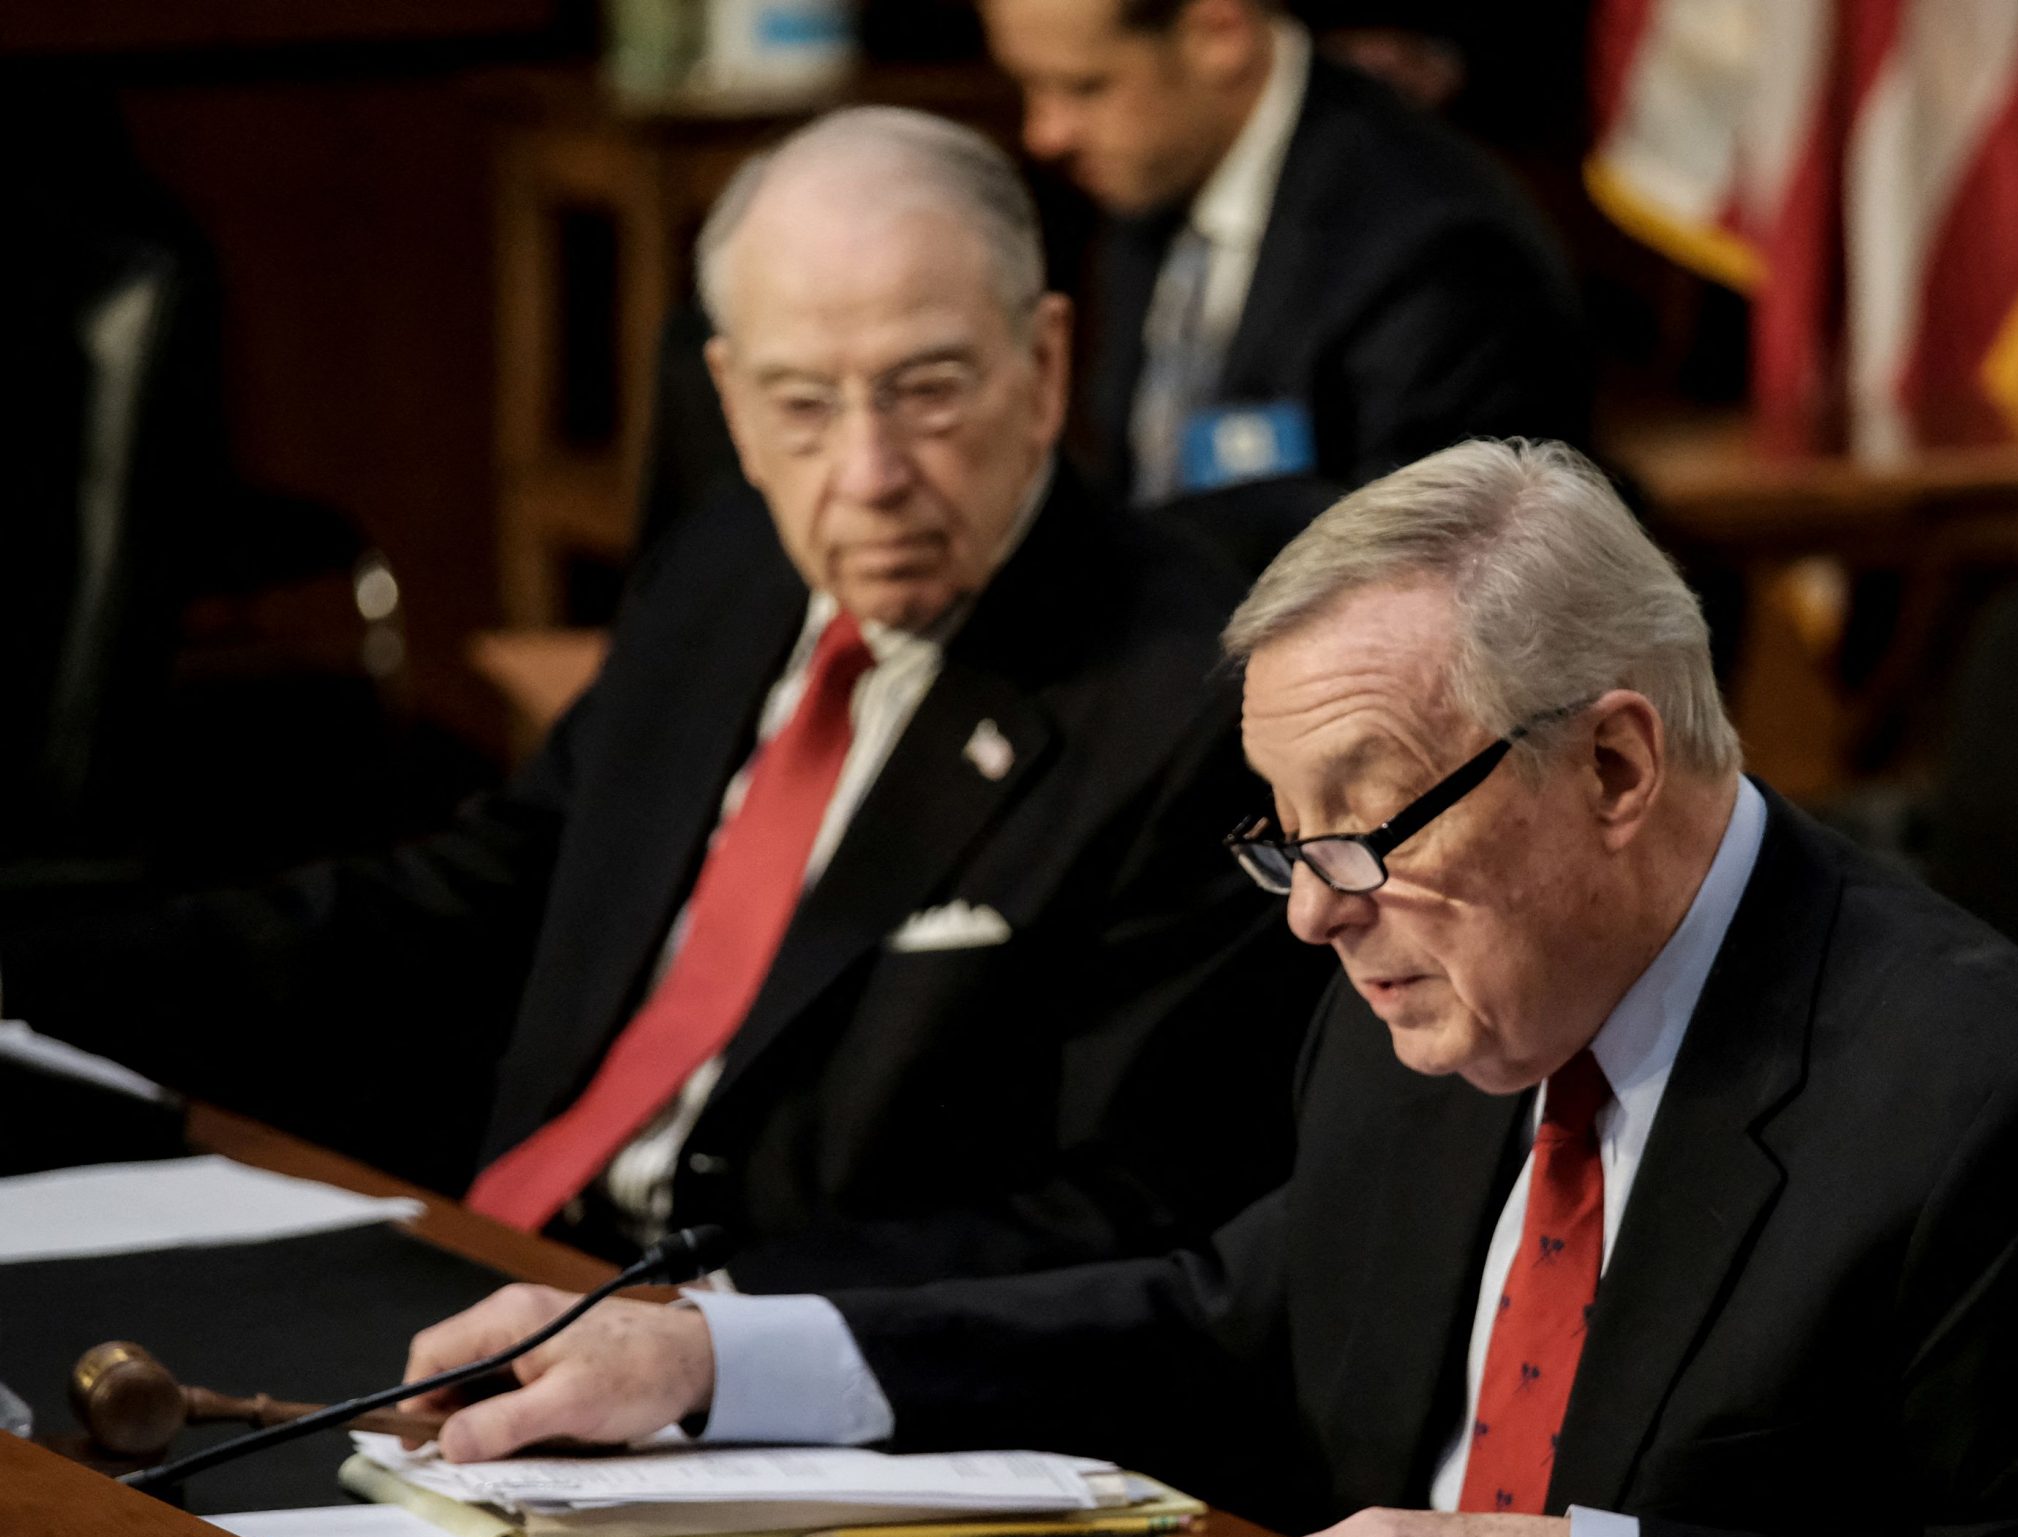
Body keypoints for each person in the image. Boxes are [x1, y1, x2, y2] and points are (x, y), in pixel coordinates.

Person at [406, 441, 2018, 1537]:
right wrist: (720, 1353)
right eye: (1284, 839)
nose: (1313, 915)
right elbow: (1223, 1319)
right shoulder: (1439, 997)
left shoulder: (1981, 1106)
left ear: (1610, 768)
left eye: (1362, 828)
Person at [0, 109, 1320, 1289]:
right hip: (503, 1266)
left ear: (1043, 365)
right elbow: (487, 894)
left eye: (928, 392)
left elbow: (1136, 1206)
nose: (866, 473)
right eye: (804, 405)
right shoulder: (726, 569)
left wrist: (711, 1333)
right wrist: (46, 977)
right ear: (734, 404)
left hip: (789, 1359)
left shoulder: (1188, 701)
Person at [634, 0, 1588, 562]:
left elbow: (1430, 582)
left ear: (1219, 31)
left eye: (1082, 88)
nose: (1046, 135)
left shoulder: (1435, 251)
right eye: (1032, 89)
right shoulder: (1157, 175)